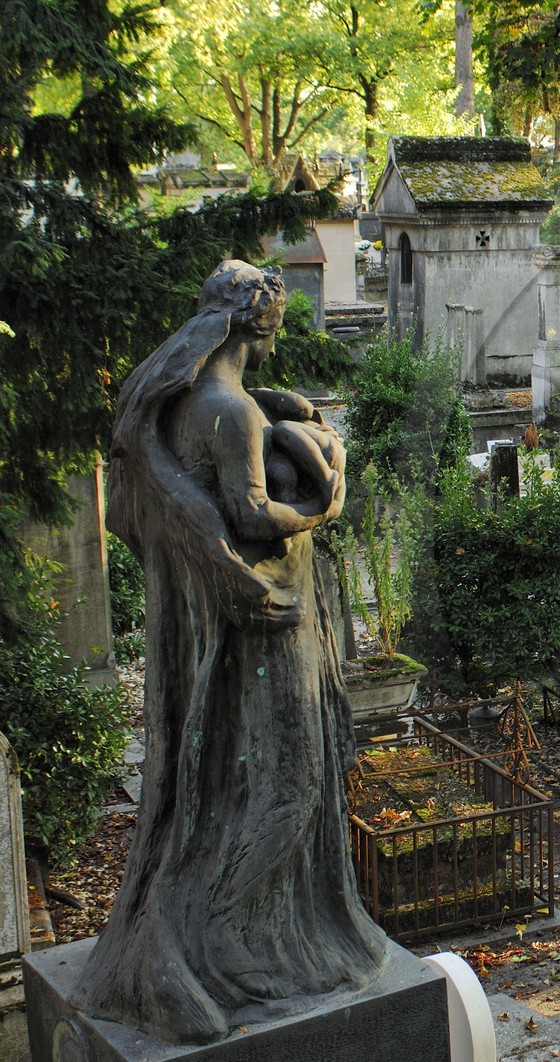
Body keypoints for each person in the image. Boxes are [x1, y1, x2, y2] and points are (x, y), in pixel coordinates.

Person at [74, 261, 389, 1044]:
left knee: (227, 788)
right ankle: (236, 946)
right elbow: (252, 518)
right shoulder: (234, 415)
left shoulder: (177, 405)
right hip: (266, 625)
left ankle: (223, 933)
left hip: (212, 629)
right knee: (290, 780)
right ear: (259, 325)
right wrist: (325, 500)